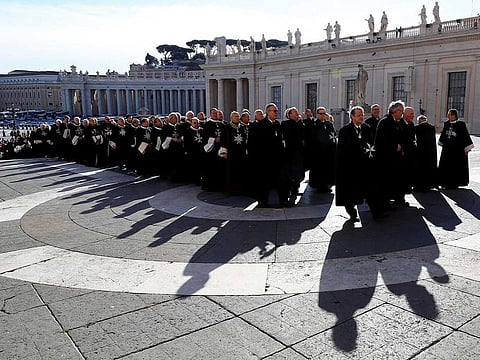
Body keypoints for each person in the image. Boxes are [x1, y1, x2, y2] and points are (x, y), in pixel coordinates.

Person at [335, 106, 375, 221]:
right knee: (350, 192)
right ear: (352, 116)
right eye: (358, 115)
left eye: (362, 115)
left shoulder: (367, 128)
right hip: (350, 166)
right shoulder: (344, 131)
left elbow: (371, 145)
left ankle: (375, 210)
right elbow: (342, 150)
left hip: (364, 165)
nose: (361, 117)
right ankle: (351, 211)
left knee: (367, 189)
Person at [374, 100, 408, 211]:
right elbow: (382, 140)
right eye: (401, 111)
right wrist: (394, 146)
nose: (402, 114)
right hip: (386, 158)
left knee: (397, 179)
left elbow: (403, 136)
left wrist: (402, 146)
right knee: (387, 181)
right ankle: (386, 202)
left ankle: (398, 198)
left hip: (397, 158)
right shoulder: (385, 122)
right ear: (395, 111)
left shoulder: (399, 122)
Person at [250, 103, 284, 207]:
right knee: (264, 181)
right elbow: (254, 143)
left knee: (279, 180)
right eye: (274, 111)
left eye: (277, 111)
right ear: (268, 112)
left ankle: (282, 200)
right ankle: (263, 200)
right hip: (264, 159)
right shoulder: (260, 125)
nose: (276, 113)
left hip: (276, 158)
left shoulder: (277, 124)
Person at [438, 108, 474, 189]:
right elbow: (444, 134)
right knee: (446, 166)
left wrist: (467, 149)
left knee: (455, 167)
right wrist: (442, 141)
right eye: (448, 114)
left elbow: (465, 136)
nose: (448, 116)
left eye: (449, 114)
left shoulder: (461, 124)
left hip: (457, 150)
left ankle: (455, 183)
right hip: (447, 150)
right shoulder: (446, 123)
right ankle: (444, 182)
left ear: (454, 115)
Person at [280, 107, 305, 206]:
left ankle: (295, 189)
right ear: (289, 115)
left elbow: (302, 135)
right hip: (289, 153)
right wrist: (299, 122)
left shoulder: (299, 123)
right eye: (295, 113)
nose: (297, 114)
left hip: (298, 153)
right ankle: (291, 191)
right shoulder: (286, 124)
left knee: (298, 173)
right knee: (291, 174)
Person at [309, 106, 337, 193]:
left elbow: (333, 136)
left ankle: (326, 184)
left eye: (324, 113)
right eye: (320, 113)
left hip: (328, 151)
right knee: (319, 170)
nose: (322, 115)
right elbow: (313, 138)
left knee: (328, 169)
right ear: (317, 114)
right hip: (318, 152)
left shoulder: (329, 124)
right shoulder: (314, 124)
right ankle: (319, 186)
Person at [222, 111, 248, 195]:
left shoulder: (241, 127)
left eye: (238, 116)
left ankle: (241, 188)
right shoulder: (227, 127)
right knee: (232, 171)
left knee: (241, 170)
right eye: (236, 116)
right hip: (232, 153)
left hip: (241, 152)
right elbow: (224, 140)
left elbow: (245, 138)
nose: (237, 118)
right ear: (231, 118)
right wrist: (224, 152)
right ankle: (232, 189)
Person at [414, 115, 438, 191]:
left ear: (419, 121)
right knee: (429, 168)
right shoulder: (432, 128)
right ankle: (430, 184)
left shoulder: (417, 128)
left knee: (421, 169)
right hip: (431, 152)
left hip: (420, 151)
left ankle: (421, 185)